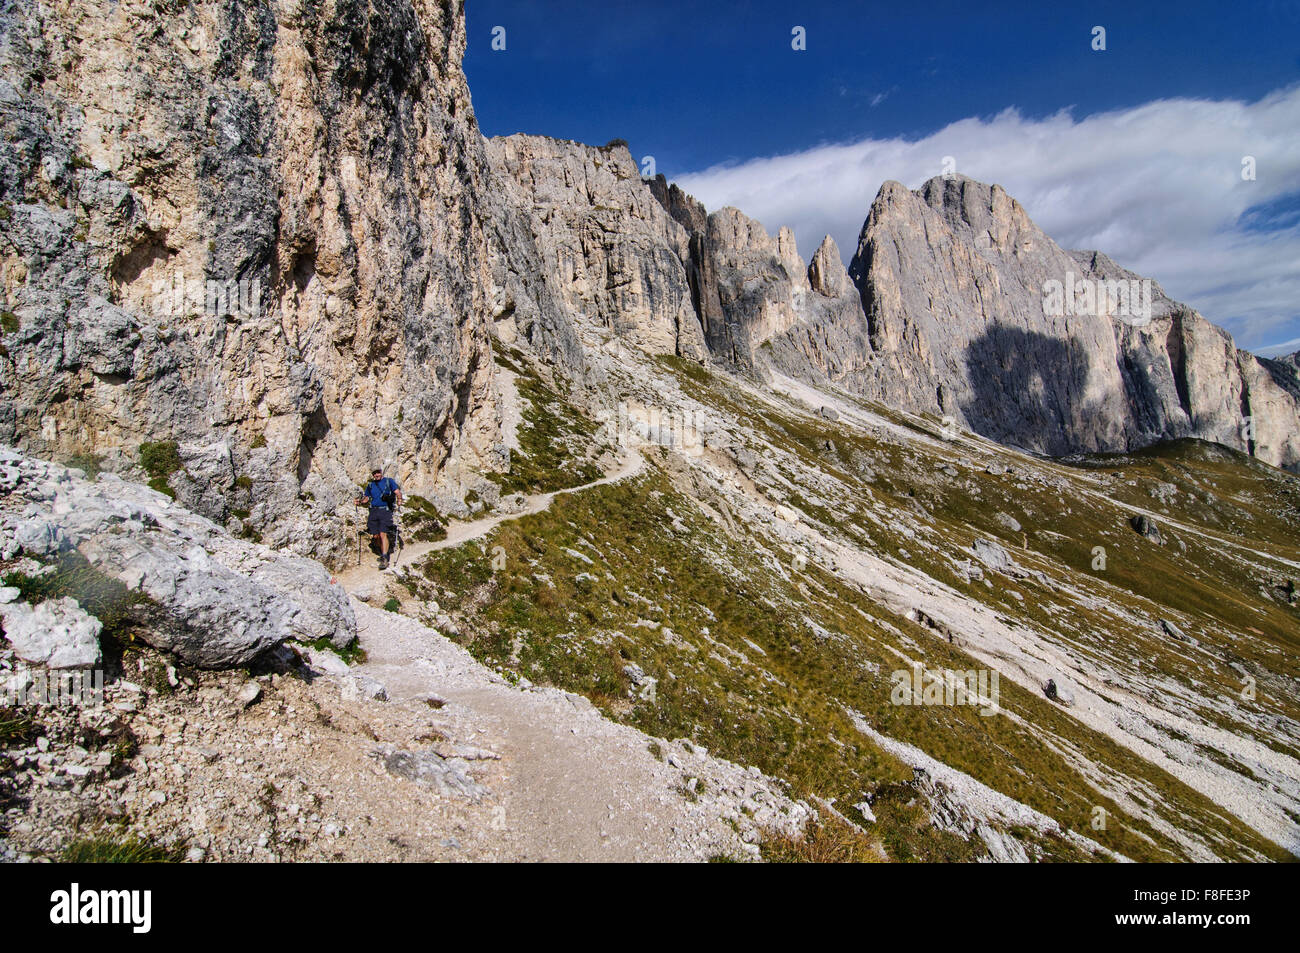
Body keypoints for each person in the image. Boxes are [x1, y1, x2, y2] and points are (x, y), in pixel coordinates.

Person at [356, 466, 403, 568]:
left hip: (385, 510)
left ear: (381, 473)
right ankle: (382, 550)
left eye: (378, 473)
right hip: (373, 511)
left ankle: (385, 557)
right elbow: (366, 499)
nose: (376, 475)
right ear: (372, 475)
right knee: (375, 536)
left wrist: (399, 500)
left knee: (382, 534)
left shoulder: (388, 481)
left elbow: (397, 492)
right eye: (374, 473)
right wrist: (359, 502)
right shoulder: (370, 485)